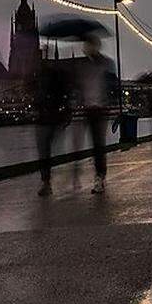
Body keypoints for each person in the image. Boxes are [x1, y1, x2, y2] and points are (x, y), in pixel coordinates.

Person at [78, 32, 117, 194]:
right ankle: (95, 174)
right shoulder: (83, 65)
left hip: (100, 108)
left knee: (98, 144)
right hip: (88, 109)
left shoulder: (106, 63)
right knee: (94, 144)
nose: (85, 48)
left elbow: (112, 84)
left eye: (88, 45)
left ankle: (100, 176)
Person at [34, 64, 73, 196]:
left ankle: (47, 181)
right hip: (45, 118)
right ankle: (47, 181)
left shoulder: (50, 76)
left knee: (45, 150)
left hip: (49, 118)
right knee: (46, 150)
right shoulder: (42, 76)